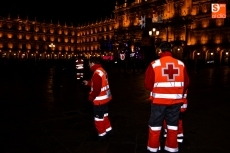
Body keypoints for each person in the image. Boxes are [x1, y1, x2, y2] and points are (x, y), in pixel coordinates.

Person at [145, 42, 189, 153]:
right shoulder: (181, 64)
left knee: (155, 125)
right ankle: (171, 148)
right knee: (173, 126)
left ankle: (153, 148)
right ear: (171, 50)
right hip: (175, 102)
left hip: (159, 102)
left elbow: (147, 84)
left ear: (160, 50)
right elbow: (186, 83)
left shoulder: (154, 64)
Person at [82, 56, 113, 141]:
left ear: (92, 63)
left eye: (89, 63)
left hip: (99, 101)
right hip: (105, 99)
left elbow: (96, 89)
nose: (88, 65)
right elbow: (98, 84)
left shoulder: (96, 73)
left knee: (98, 118)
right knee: (105, 115)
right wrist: (88, 83)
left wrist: (89, 99)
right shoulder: (102, 70)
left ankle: (102, 134)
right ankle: (109, 130)